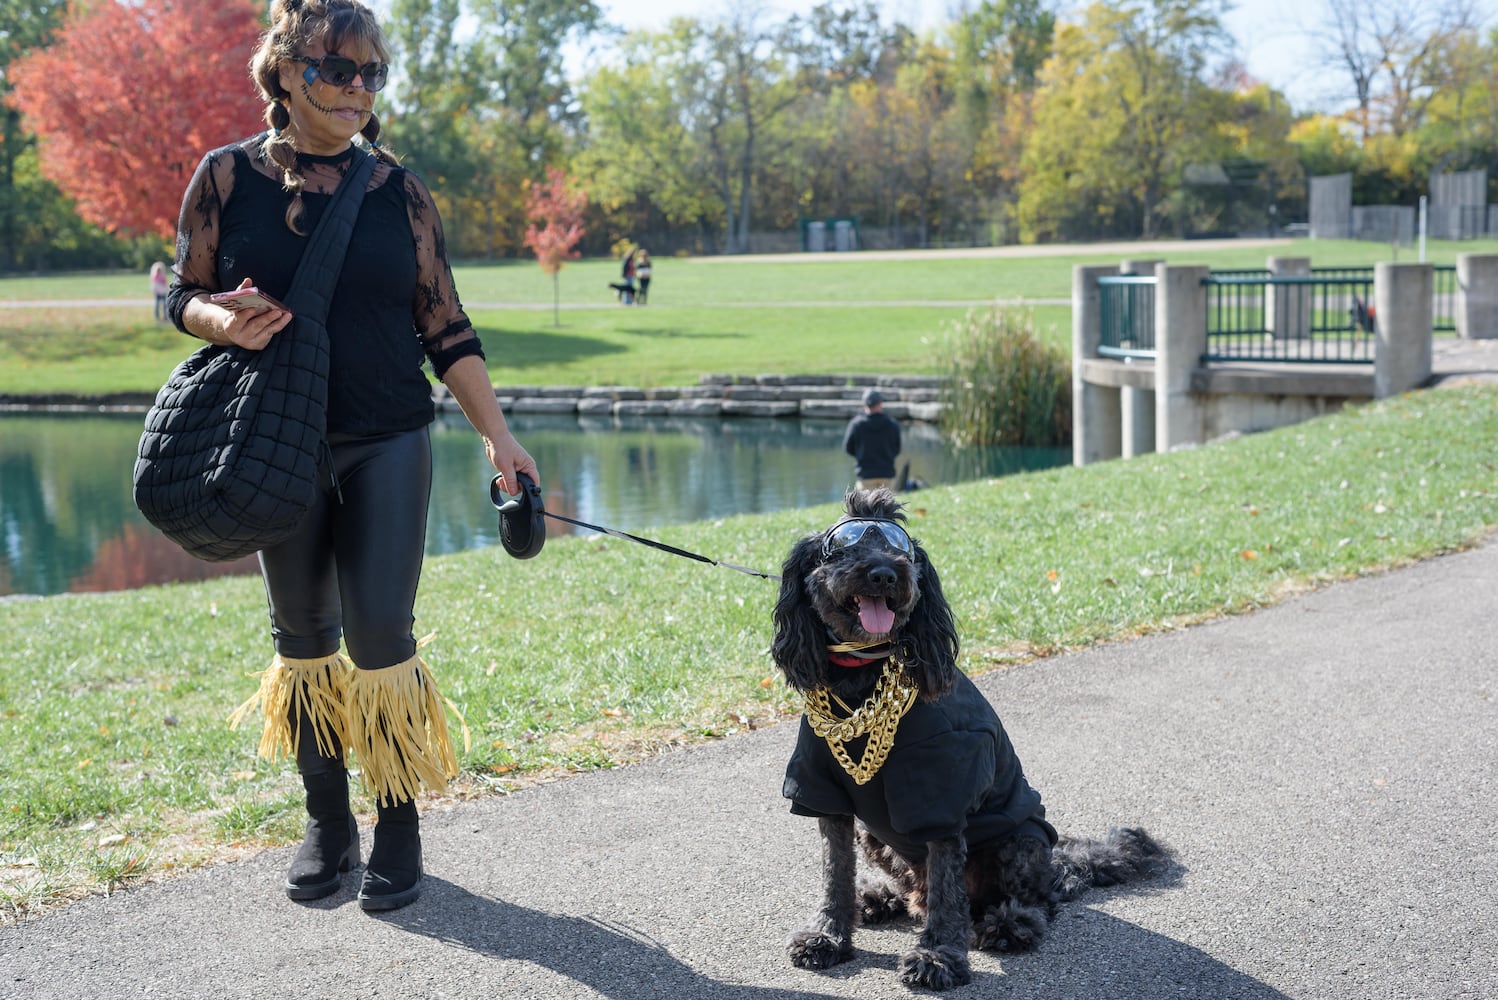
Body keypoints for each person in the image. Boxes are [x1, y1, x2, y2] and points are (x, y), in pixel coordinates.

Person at [166, 0, 538, 913]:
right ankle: (327, 826)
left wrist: (502, 437)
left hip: (387, 436)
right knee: (303, 639)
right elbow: (182, 293)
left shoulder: (397, 191)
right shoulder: (224, 179)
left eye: (372, 74)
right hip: (273, 443)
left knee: (380, 634)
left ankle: (397, 823)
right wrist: (222, 319)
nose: (357, 89)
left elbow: (444, 323)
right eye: (339, 70)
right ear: (286, 71)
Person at [843, 388, 901, 491]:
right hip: (886, 475)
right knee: (887, 507)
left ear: (864, 404)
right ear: (880, 403)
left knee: (864, 507)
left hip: (865, 476)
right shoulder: (892, 424)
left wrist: (860, 454)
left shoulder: (856, 424)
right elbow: (897, 449)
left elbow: (848, 448)